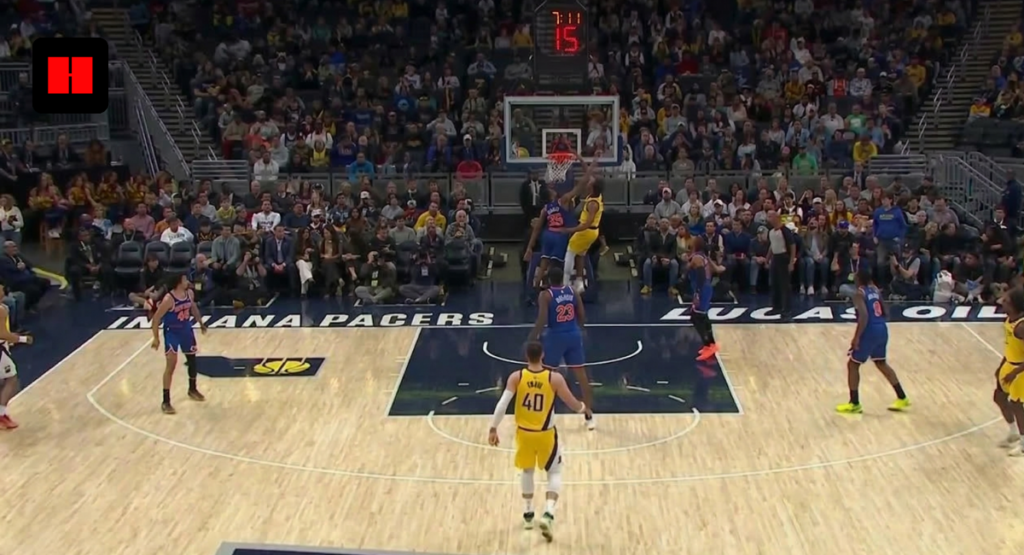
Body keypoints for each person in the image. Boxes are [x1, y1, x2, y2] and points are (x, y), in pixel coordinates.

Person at [487, 341, 587, 542]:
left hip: (524, 434)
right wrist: (583, 408)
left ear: (526, 356)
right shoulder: (554, 378)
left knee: (527, 471)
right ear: (542, 355)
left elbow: (502, 405)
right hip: (545, 434)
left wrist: (493, 427)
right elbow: (571, 401)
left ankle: (528, 514)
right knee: (555, 472)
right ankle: (548, 513)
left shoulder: (517, 377)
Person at [529, 266, 595, 430]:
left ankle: (545, 416)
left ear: (549, 280)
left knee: (546, 376)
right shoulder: (573, 292)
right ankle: (589, 416)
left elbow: (542, 319)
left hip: (555, 337)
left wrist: (533, 337)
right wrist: (579, 329)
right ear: (562, 279)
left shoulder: (546, 295)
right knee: (582, 376)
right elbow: (582, 315)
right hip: (573, 334)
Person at [836, 269, 911, 414]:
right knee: (881, 363)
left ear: (859, 279)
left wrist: (856, 338)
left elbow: (863, 317)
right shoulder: (875, 290)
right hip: (882, 328)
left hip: (870, 329)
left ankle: (854, 403)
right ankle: (902, 397)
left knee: (853, 365)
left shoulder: (859, 293)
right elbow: (886, 311)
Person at [150, 274, 208, 414]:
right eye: (184, 280)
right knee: (171, 365)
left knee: (192, 360)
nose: (187, 281)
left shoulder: (189, 293)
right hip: (172, 332)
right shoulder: (168, 299)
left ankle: (192, 389)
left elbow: (193, 308)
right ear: (178, 283)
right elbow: (156, 320)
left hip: (186, 330)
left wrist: (200, 323)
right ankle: (166, 401)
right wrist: (156, 338)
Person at [557, 153, 604, 293]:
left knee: (570, 252)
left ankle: (565, 285)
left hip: (587, 230)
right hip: (591, 231)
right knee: (581, 254)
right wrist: (586, 161)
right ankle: (579, 283)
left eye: (591, 182)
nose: (588, 182)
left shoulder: (593, 205)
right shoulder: (596, 195)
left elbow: (586, 224)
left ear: (593, 187)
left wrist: (569, 230)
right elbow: (588, 174)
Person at [524, 187, 575, 289]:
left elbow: (537, 228)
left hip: (548, 234)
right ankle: (554, 288)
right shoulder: (562, 202)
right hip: (559, 235)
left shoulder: (546, 208)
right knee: (554, 265)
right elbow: (576, 190)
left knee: (544, 264)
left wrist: (529, 247)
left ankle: (536, 289)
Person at [993, 288, 1024, 456]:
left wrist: (1014, 372)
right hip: (1009, 363)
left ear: (1014, 304)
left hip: (1020, 369)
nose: (1002, 302)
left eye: (1006, 301)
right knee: (998, 397)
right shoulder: (1009, 320)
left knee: (1017, 405)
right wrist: (1002, 366)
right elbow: (1010, 346)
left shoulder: (1021, 326)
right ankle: (1013, 433)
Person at [0, 280, 32, 429]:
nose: (3, 290)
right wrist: (22, 339)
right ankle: (1, 415)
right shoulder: (1, 310)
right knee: (11, 378)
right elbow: (2, 334)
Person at [688, 236, 724, 361]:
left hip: (702, 289)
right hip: (705, 288)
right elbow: (717, 270)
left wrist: (697, 294)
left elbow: (701, 276)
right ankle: (710, 344)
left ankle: (709, 345)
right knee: (699, 316)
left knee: (697, 318)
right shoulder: (703, 256)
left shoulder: (697, 258)